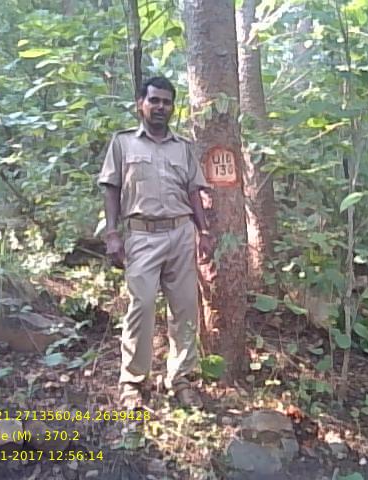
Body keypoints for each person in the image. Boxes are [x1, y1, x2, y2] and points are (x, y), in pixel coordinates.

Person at [98, 76, 214, 409]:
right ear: (141, 104)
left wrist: (204, 231)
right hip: (142, 234)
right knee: (142, 305)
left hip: (181, 233)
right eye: (154, 100)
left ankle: (180, 378)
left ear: (173, 107)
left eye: (166, 101)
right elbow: (111, 188)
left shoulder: (183, 147)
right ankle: (133, 381)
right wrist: (112, 233)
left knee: (185, 309)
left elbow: (194, 191)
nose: (161, 107)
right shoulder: (123, 143)